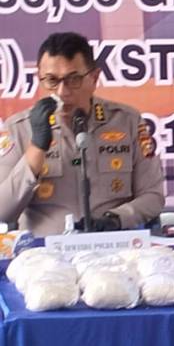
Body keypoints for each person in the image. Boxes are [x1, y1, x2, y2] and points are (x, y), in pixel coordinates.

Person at [0, 32, 165, 236]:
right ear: (39, 79)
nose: (62, 92)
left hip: (115, 245)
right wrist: (36, 148)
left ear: (94, 78)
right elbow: (3, 211)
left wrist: (116, 219)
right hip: (44, 250)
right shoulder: (18, 128)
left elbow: (153, 196)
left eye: (74, 79)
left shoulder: (127, 121)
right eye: (51, 80)